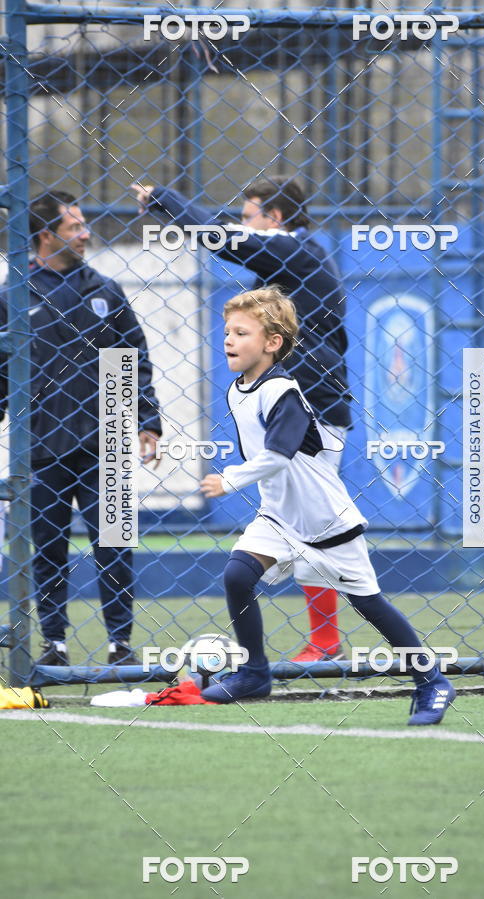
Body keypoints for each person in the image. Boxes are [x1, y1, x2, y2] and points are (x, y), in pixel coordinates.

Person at [198, 286, 455, 724]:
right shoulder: (238, 390)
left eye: (241, 333)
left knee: (369, 604)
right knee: (238, 576)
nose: (229, 340)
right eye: (227, 332)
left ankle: (432, 681)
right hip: (279, 518)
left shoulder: (282, 391)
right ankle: (255, 673)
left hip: (327, 523)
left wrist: (229, 479)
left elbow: (278, 455)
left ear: (272, 342)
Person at [132, 174, 350, 663]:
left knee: (310, 523)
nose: (243, 225)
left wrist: (164, 200)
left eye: (250, 217)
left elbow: (223, 238)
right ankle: (322, 639)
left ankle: (325, 641)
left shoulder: (295, 250)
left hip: (310, 409)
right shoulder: (290, 262)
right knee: (300, 520)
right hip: (295, 406)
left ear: (275, 218)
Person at [0, 191, 163, 666]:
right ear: (45, 235)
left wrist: (147, 419)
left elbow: (133, 360)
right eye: (74, 227)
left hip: (105, 443)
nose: (85, 234)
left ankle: (120, 645)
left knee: (114, 547)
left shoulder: (106, 290)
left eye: (84, 225)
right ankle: (54, 645)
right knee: (48, 550)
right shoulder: (14, 295)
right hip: (39, 444)